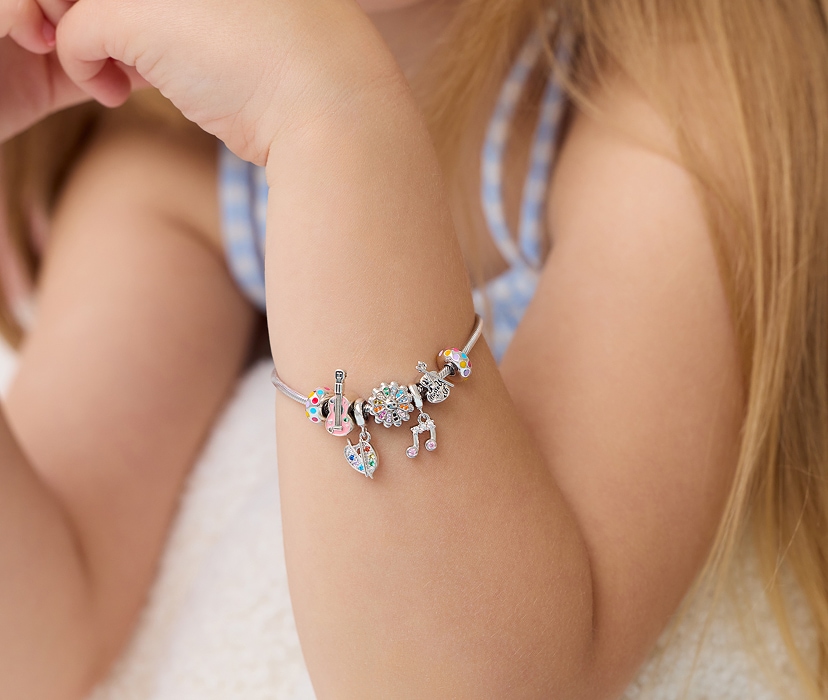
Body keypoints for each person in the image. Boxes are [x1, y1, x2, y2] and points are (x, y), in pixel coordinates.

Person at [0, 0, 825, 698]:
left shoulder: (680, 109)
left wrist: (330, 120)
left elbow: (470, 683)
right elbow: (38, 646)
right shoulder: (176, 170)